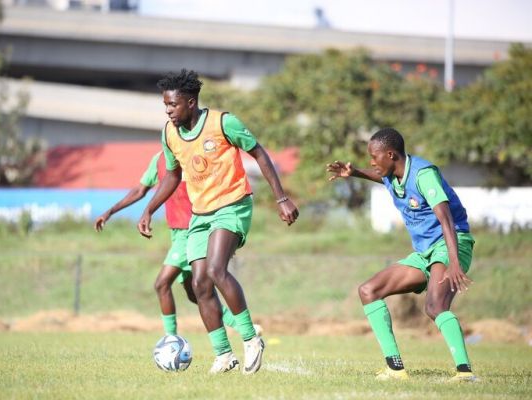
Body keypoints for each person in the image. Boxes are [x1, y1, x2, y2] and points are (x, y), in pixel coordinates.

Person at [137, 69, 299, 374]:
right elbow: (172, 176)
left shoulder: (223, 122)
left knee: (215, 269)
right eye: (165, 106)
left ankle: (251, 340)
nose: (168, 110)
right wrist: (148, 210)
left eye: (173, 105)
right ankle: (224, 355)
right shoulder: (169, 134)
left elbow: (260, 154)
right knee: (199, 283)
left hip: (233, 205)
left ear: (190, 101)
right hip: (200, 213)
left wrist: (281, 198)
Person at [326, 127, 477, 383]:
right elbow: (379, 176)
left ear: (391, 155)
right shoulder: (392, 174)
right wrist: (354, 173)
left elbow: (446, 220)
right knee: (368, 291)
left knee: (434, 306)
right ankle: (395, 368)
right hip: (424, 252)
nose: (372, 162)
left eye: (375, 157)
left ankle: (465, 373)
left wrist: (454, 263)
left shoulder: (423, 174)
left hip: (451, 242)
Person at [94, 150, 240, 336]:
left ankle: (171, 340)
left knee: (162, 284)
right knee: (195, 293)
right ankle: (240, 326)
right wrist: (110, 212)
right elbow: (140, 190)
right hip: (176, 232)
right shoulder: (159, 159)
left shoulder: (194, 153)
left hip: (193, 229)